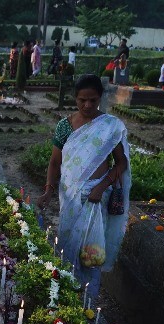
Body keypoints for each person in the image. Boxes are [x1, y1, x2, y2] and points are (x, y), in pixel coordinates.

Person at [36, 74, 131, 305]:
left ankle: (88, 299)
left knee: (91, 249)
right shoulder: (64, 127)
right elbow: (54, 163)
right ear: (75, 99)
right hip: (70, 196)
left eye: (92, 100)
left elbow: (121, 163)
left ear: (100, 98)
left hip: (96, 198)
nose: (87, 105)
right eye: (82, 100)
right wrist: (49, 190)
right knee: (68, 243)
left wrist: (100, 187)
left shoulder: (109, 127)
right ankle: (67, 296)